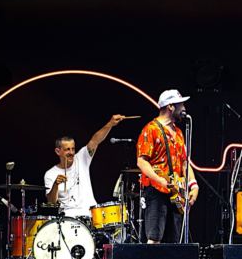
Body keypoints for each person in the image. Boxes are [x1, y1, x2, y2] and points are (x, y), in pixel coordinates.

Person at [137, 89, 199, 244]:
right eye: (181, 104)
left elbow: (185, 162)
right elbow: (142, 161)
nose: (184, 107)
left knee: (175, 242)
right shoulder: (151, 130)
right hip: (157, 191)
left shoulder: (178, 133)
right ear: (171, 106)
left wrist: (193, 185)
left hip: (176, 192)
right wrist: (159, 179)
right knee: (154, 238)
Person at [44, 115, 125, 217]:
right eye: (67, 149)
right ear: (57, 151)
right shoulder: (50, 174)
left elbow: (95, 140)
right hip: (68, 219)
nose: (71, 152)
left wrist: (110, 124)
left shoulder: (81, 158)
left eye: (73, 149)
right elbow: (51, 203)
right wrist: (55, 185)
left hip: (90, 215)